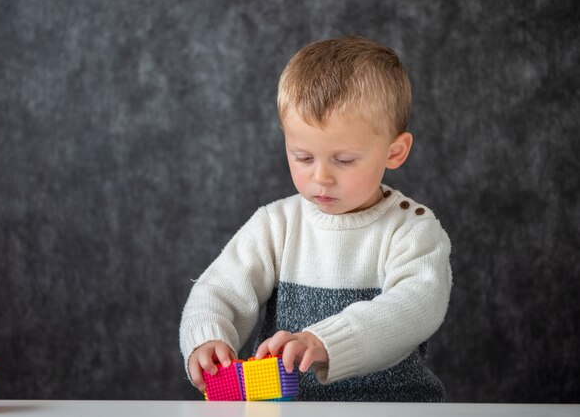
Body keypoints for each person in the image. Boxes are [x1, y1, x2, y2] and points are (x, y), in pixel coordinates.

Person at [179, 36, 453, 401]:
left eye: (344, 160)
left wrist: (326, 341)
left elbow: (414, 307)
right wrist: (209, 337)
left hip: (394, 406)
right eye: (303, 157)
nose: (320, 177)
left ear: (395, 151)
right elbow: (219, 291)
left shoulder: (413, 230)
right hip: (288, 407)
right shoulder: (277, 224)